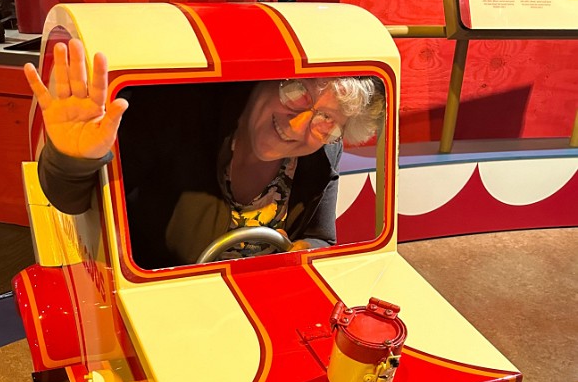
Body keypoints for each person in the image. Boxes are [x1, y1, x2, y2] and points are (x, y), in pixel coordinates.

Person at [25, 39, 385, 269]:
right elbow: (72, 201)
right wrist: (73, 157)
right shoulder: (174, 113)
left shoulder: (323, 151)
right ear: (267, 76)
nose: (298, 125)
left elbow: (322, 237)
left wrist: (305, 253)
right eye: (297, 92)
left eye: (327, 119)